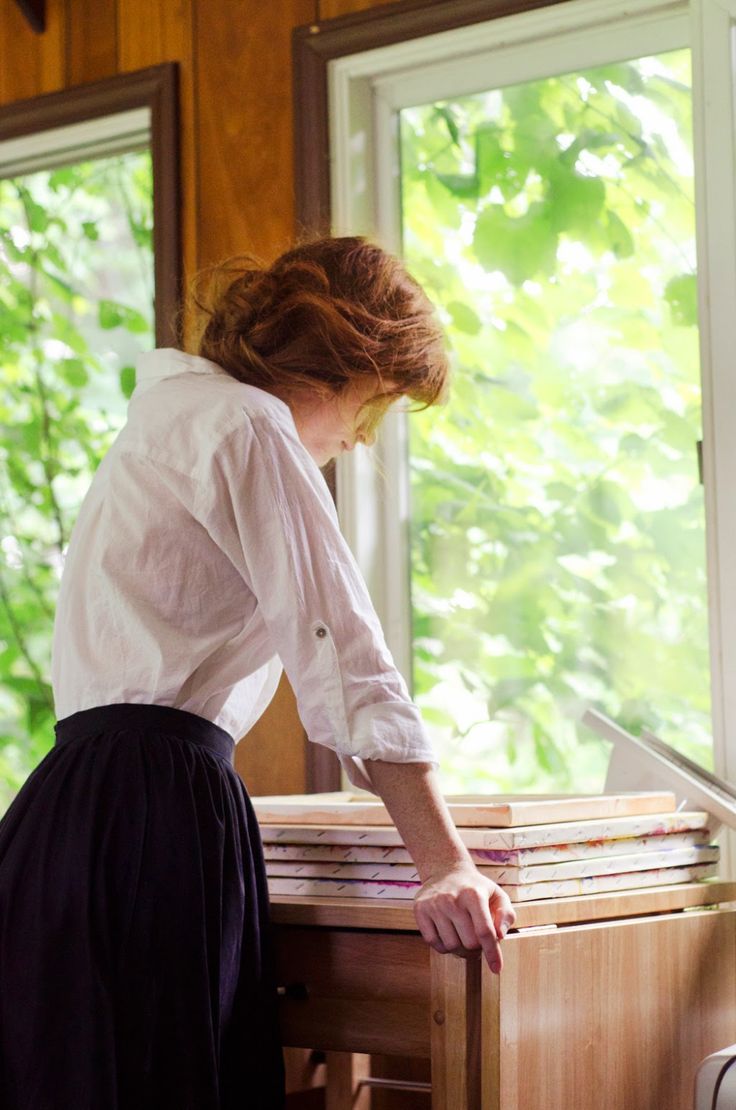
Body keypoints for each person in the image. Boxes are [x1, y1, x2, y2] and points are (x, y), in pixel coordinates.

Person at [0, 236, 516, 1109]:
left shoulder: (167, 415)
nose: (356, 439)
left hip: (64, 813)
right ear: (347, 366)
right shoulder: (248, 422)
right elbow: (346, 657)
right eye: (372, 407)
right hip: (153, 816)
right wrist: (446, 866)